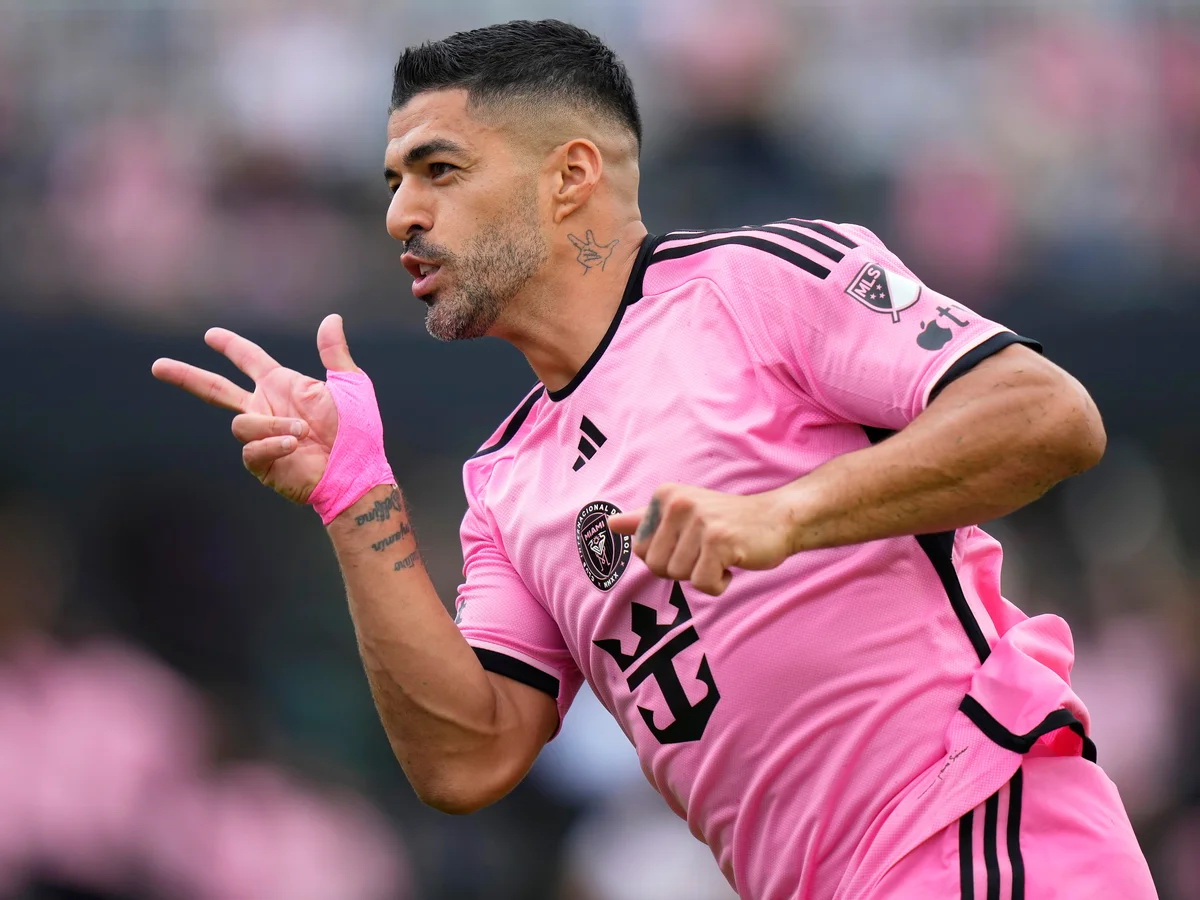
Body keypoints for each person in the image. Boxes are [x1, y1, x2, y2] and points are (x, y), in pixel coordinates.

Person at [151, 19, 1158, 900]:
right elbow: (467, 758)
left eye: (439, 170)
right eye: (394, 182)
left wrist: (784, 514)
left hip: (976, 830)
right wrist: (354, 496)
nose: (400, 214)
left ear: (570, 176)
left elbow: (1048, 414)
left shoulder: (753, 286)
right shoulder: (505, 486)